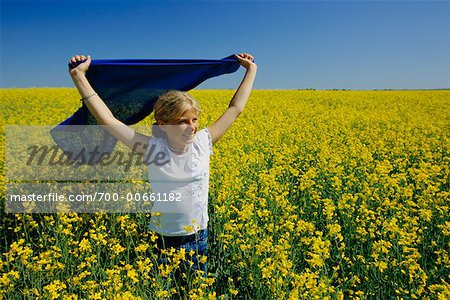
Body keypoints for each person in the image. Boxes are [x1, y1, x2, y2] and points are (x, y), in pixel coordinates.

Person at [68, 52, 257, 285]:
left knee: (194, 290)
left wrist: (251, 70)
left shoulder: (202, 143)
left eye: (194, 120)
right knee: (163, 290)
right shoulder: (152, 149)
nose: (192, 127)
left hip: (199, 237)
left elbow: (235, 108)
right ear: (163, 124)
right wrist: (79, 77)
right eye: (182, 122)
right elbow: (109, 121)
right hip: (164, 239)